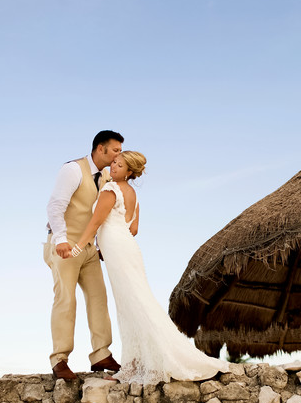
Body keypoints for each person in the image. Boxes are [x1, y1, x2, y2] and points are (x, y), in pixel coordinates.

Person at [71, 151, 230, 384]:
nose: (113, 166)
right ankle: (137, 363)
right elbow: (133, 228)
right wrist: (105, 243)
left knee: (131, 304)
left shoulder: (109, 190)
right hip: (127, 247)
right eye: (113, 162)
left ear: (129, 172)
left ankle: (140, 365)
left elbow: (96, 222)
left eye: (119, 165)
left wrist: (77, 247)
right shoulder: (132, 193)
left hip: (117, 248)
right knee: (136, 302)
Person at [44, 130, 124, 380]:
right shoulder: (73, 170)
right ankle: (60, 359)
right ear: (100, 149)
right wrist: (60, 240)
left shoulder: (107, 177)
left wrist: (99, 245)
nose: (117, 156)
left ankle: (101, 353)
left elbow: (99, 214)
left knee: (99, 297)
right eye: (115, 151)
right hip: (65, 247)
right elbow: (55, 206)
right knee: (66, 299)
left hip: (89, 249)